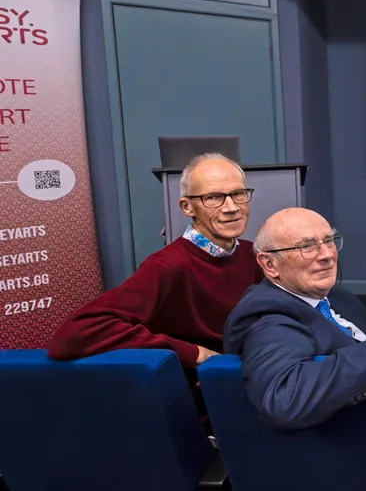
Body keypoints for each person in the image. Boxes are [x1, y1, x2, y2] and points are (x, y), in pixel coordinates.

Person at [224, 207, 366, 456]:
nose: (327, 255)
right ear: (269, 264)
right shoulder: (268, 318)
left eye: (329, 241)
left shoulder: (336, 296)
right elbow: (285, 400)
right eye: (307, 246)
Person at [48, 153, 262, 388]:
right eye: (213, 197)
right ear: (187, 207)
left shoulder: (251, 254)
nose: (231, 208)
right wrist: (195, 355)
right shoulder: (168, 265)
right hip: (203, 400)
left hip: (246, 378)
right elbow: (72, 335)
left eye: (238, 194)